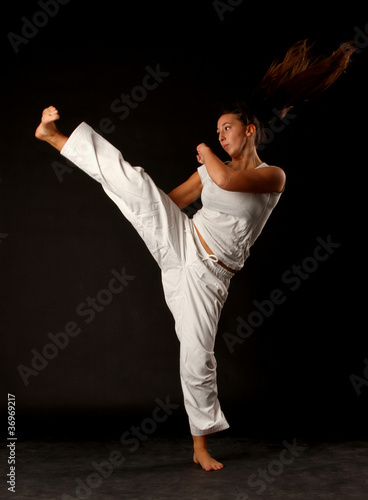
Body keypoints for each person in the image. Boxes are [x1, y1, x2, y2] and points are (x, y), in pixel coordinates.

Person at [35, 39, 355, 471]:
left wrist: (205, 153)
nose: (220, 135)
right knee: (135, 184)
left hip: (209, 276)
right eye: (217, 130)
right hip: (183, 240)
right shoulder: (210, 171)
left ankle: (200, 446)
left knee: (197, 356)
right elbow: (170, 199)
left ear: (250, 131)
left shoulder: (271, 176)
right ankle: (54, 137)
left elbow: (226, 181)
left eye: (227, 128)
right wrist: (144, 208)